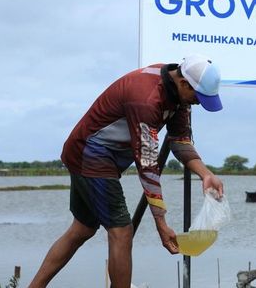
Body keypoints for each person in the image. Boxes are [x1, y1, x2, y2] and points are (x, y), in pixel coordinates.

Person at [28, 54, 225, 288]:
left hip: (100, 155)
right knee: (121, 231)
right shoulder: (146, 99)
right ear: (184, 84)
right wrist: (161, 223)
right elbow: (148, 165)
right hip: (90, 152)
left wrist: (205, 174)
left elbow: (179, 139)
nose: (198, 103)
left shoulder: (179, 94)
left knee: (82, 229)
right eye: (198, 98)